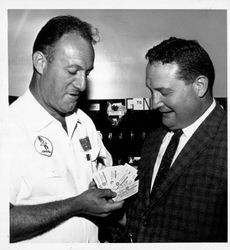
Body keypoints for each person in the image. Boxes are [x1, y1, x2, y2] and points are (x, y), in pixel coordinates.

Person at [8, 15, 124, 243]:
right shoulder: (10, 128)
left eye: (87, 73)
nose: (82, 84)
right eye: (72, 71)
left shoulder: (84, 123)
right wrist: (76, 205)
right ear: (40, 62)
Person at [110, 37, 227, 242]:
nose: (154, 103)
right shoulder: (154, 139)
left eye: (164, 92)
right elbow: (144, 218)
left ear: (199, 86)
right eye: (151, 91)